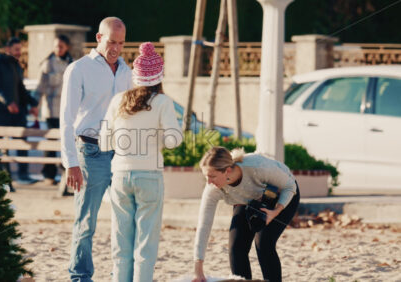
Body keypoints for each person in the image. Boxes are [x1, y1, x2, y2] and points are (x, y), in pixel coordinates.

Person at [100, 42, 183, 282]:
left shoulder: (118, 100)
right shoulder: (162, 102)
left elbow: (104, 141)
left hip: (120, 175)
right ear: (159, 77)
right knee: (145, 244)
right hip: (149, 175)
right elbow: (173, 140)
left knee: (121, 242)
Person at [59, 17, 133, 281]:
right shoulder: (79, 69)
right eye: (112, 41)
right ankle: (80, 276)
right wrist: (71, 163)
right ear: (100, 38)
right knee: (87, 220)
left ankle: (121, 274)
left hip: (122, 154)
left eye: (121, 43)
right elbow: (66, 120)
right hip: (90, 153)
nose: (116, 48)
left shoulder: (127, 72)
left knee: (125, 218)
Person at [192, 147, 300, 282]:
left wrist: (275, 212)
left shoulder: (257, 166)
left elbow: (290, 186)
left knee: (263, 243)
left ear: (228, 171)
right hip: (247, 200)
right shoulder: (213, 188)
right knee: (236, 248)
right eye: (206, 176)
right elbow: (204, 224)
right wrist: (198, 268)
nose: (209, 182)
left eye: (212, 176)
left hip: (283, 194)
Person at [0, 37, 39, 186]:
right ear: (7, 49)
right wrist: (8, 102)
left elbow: (21, 88)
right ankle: (4, 178)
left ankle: (23, 175)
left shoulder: (16, 66)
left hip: (18, 112)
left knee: (22, 141)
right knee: (1, 146)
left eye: (20, 50)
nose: (18, 53)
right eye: (16, 50)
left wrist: (33, 104)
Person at [35, 34, 73, 186]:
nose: (59, 49)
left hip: (67, 111)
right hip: (51, 111)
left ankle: (66, 172)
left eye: (61, 46)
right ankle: (48, 174)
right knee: (50, 143)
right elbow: (39, 87)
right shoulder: (47, 64)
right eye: (56, 46)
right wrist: (34, 106)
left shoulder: (72, 63)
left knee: (67, 143)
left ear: (67, 47)